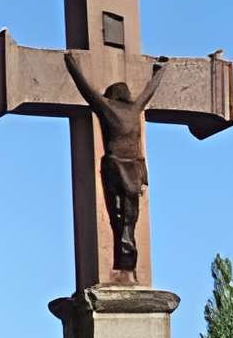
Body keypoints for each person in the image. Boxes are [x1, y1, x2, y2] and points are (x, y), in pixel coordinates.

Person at [65, 51, 167, 278]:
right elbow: (149, 92)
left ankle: (124, 264)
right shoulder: (135, 107)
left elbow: (86, 89)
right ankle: (128, 264)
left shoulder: (106, 107)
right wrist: (160, 71)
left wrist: (71, 64)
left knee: (117, 218)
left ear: (111, 95)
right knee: (130, 220)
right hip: (134, 171)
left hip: (115, 167)